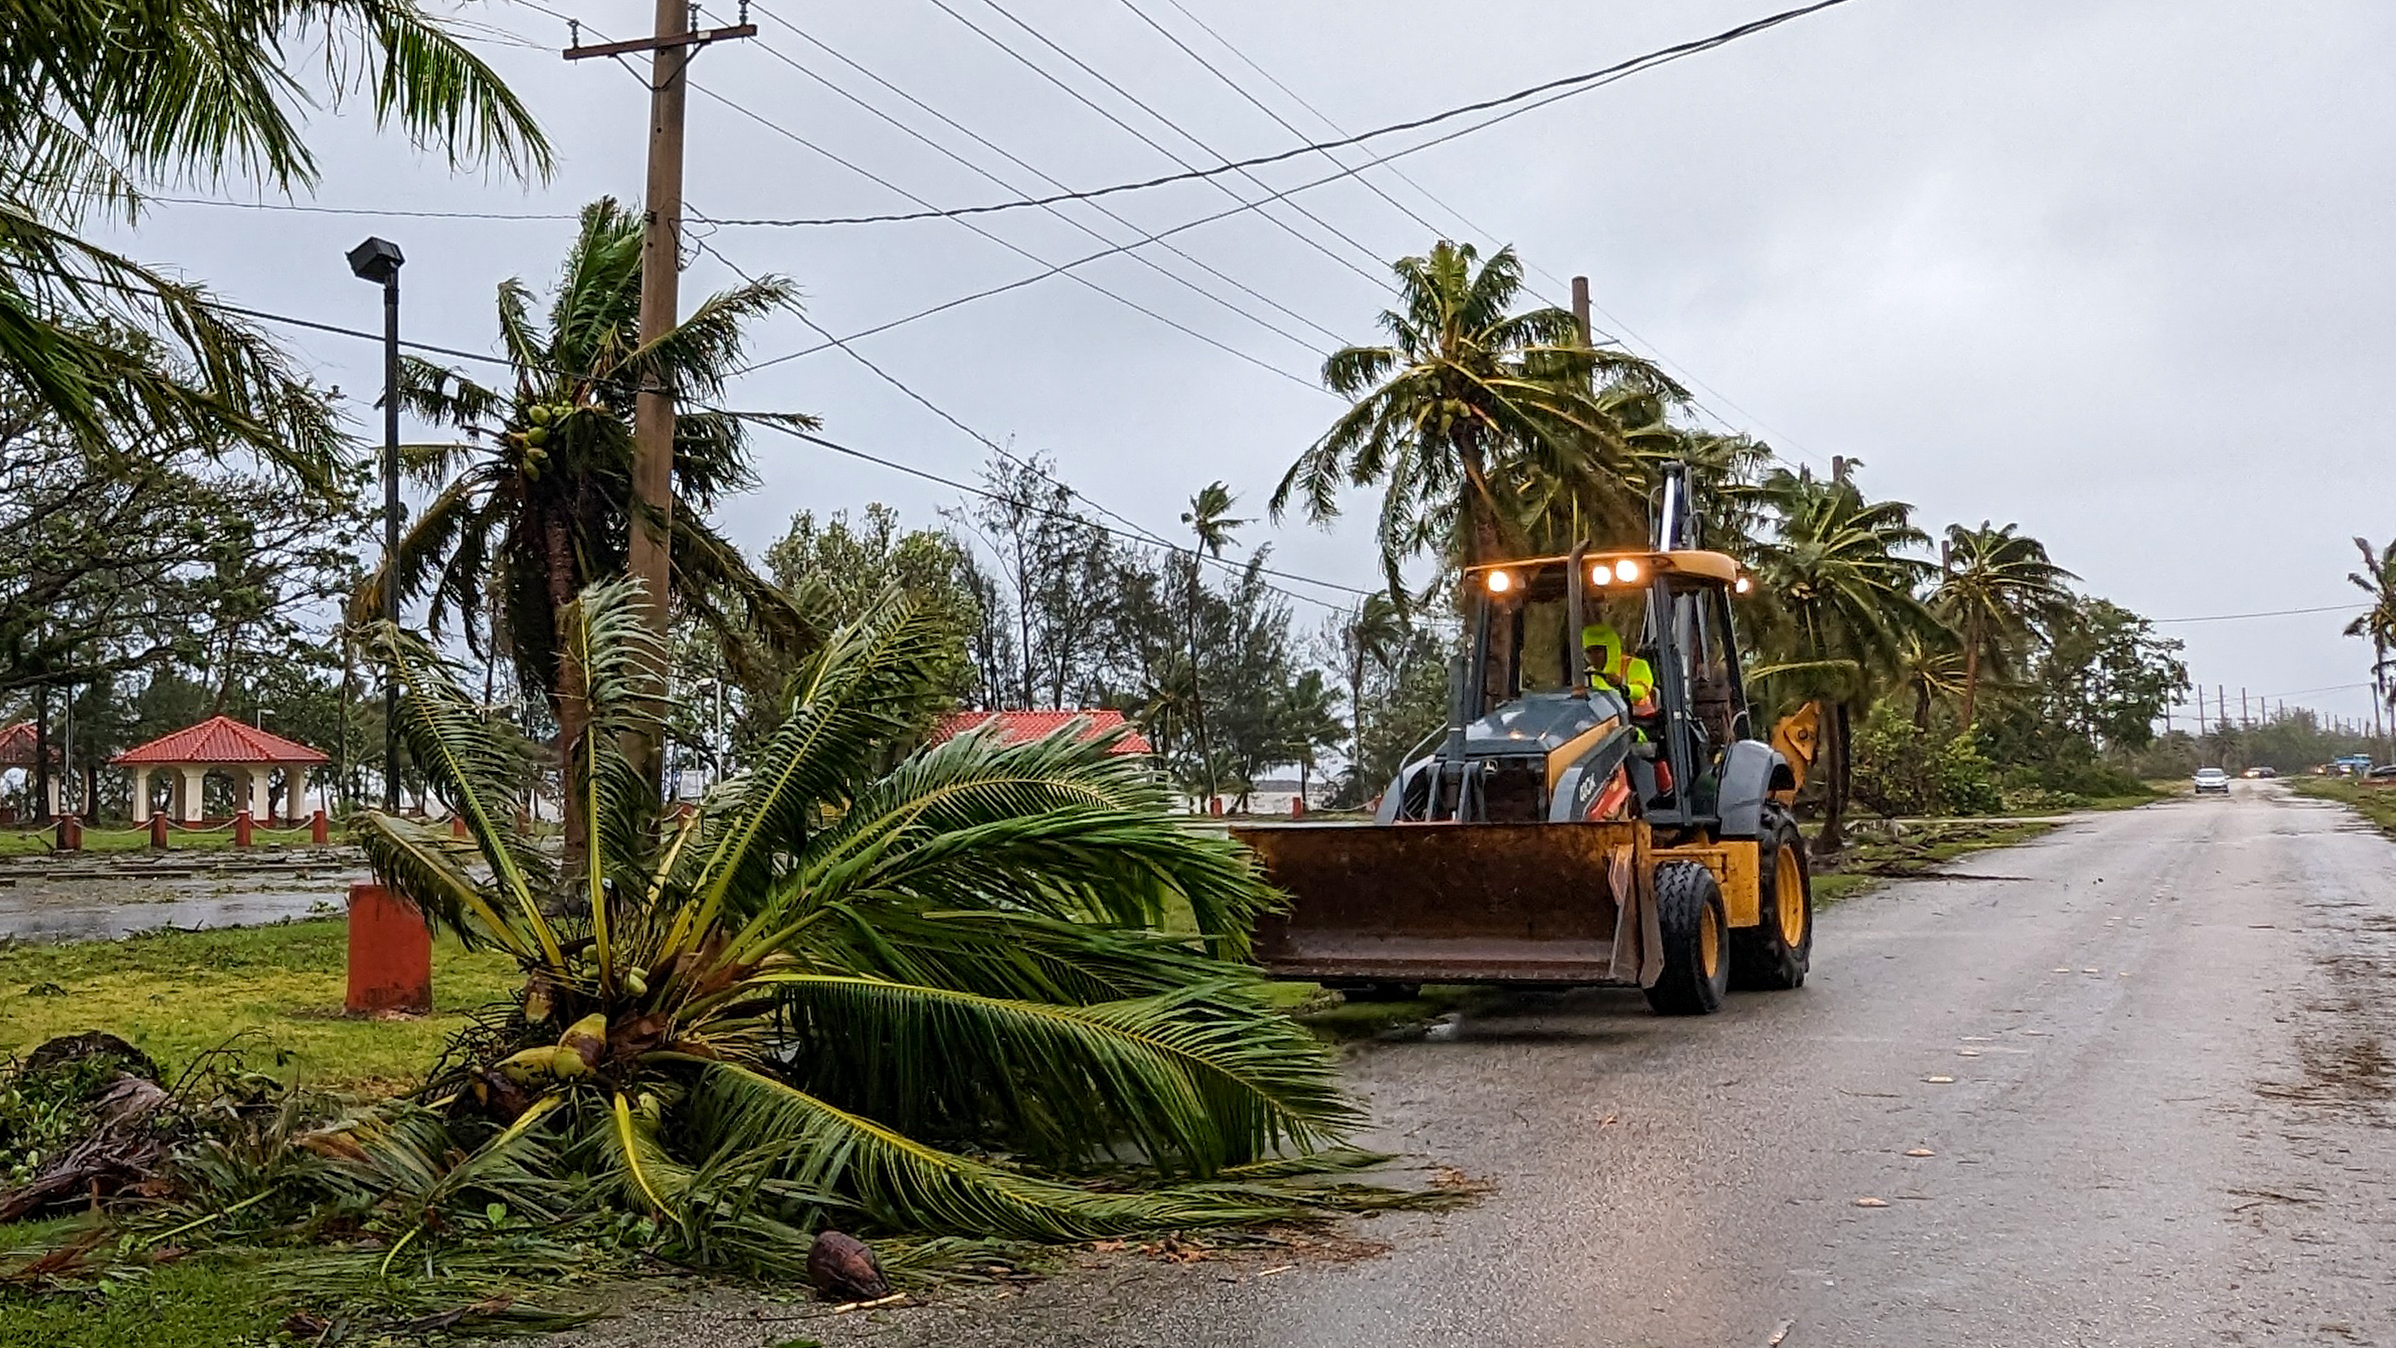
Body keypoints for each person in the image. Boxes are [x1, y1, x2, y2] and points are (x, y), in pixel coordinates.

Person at [1582, 623, 1655, 711]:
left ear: (1610, 649)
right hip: (1605, 719)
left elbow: (1643, 690)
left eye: (1597, 650)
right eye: (1588, 652)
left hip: (1638, 719)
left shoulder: (1636, 665)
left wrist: (1623, 687)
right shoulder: (1589, 674)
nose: (1592, 656)